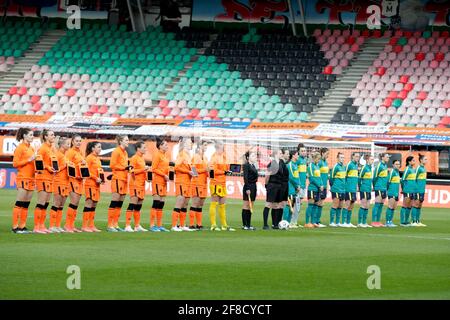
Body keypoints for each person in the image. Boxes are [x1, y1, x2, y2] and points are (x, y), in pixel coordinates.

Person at [12, 128, 36, 234]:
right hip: (23, 178)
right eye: (30, 135)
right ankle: (15, 227)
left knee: (26, 204)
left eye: (33, 135)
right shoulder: (20, 148)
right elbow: (15, 163)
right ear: (24, 136)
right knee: (19, 203)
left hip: (31, 178)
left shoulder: (31, 148)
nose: (32, 136)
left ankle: (22, 226)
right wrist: (29, 159)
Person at [34, 129, 56, 233]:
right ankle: (36, 227)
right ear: (45, 137)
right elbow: (38, 161)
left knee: (46, 203)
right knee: (41, 203)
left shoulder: (51, 148)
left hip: (50, 178)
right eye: (51, 135)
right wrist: (47, 167)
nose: (53, 136)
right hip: (42, 177)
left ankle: (42, 225)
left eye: (54, 135)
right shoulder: (42, 148)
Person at [209, 141, 235, 231]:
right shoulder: (214, 157)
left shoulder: (224, 156)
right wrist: (224, 172)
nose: (222, 148)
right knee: (214, 202)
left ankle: (224, 225)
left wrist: (229, 170)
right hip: (215, 182)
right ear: (217, 147)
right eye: (221, 147)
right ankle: (213, 225)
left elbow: (226, 168)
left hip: (223, 183)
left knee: (223, 204)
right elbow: (213, 171)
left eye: (223, 147)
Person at [126, 141, 150, 232]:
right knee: (133, 204)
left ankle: (137, 225)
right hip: (135, 184)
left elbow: (141, 172)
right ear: (138, 148)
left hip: (141, 184)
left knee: (138, 206)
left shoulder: (142, 158)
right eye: (144, 147)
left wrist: (147, 177)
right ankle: (127, 225)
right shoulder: (134, 158)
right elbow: (131, 171)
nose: (145, 149)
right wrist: (143, 169)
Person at [107, 135, 130, 232]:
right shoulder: (116, 151)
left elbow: (124, 165)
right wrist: (123, 168)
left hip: (124, 179)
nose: (128, 141)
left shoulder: (125, 153)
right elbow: (112, 165)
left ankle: (115, 224)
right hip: (117, 179)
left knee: (120, 203)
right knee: (115, 201)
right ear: (121, 141)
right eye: (126, 140)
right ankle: (110, 225)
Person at [172, 137, 195, 232]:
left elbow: (191, 167)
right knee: (180, 202)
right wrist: (188, 172)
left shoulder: (189, 155)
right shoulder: (181, 154)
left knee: (185, 204)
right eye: (190, 143)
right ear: (185, 143)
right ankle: (174, 225)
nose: (191, 144)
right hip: (181, 182)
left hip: (188, 182)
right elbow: (176, 167)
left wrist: (193, 172)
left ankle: (182, 225)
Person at [65, 134, 86, 233]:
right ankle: (68, 225)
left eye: (80, 141)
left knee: (76, 203)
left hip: (80, 180)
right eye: (77, 141)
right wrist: (76, 175)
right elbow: (68, 166)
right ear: (72, 142)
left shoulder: (80, 152)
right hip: (73, 180)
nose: (79, 142)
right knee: (73, 202)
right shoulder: (70, 152)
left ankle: (72, 225)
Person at [49, 136, 70, 233]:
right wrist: (64, 166)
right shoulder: (57, 155)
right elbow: (55, 169)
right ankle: (52, 225)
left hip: (66, 182)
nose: (69, 145)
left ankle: (57, 225)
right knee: (56, 204)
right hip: (58, 181)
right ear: (62, 145)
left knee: (61, 205)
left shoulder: (65, 155)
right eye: (67, 144)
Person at [150, 137, 170, 232]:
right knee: (156, 203)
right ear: (160, 146)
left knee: (161, 204)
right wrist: (164, 175)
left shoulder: (165, 156)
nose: (167, 146)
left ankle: (159, 225)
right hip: (157, 181)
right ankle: (152, 225)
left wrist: (168, 174)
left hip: (163, 182)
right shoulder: (157, 155)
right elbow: (154, 168)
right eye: (165, 144)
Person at [189, 140, 209, 230]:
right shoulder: (195, 157)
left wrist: (209, 173)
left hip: (204, 183)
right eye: (204, 145)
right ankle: (191, 224)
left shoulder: (205, 157)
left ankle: (199, 224)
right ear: (199, 146)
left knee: (201, 204)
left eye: (206, 145)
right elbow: (193, 170)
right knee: (195, 203)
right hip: (197, 183)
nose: (206, 147)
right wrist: (204, 170)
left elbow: (206, 170)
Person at [83, 141, 103, 233]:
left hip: (96, 185)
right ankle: (85, 226)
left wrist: (101, 179)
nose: (100, 149)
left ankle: (91, 225)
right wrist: (95, 178)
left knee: (94, 205)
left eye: (100, 147)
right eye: (98, 147)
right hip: (90, 184)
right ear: (93, 148)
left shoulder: (97, 159)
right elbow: (85, 171)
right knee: (89, 204)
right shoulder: (89, 158)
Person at [262, 149, 284, 230]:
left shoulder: (281, 163)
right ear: (275, 155)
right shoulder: (272, 164)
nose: (281, 154)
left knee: (276, 205)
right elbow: (267, 175)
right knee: (268, 204)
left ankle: (275, 224)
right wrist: (266, 185)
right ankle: (265, 224)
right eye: (280, 153)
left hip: (279, 186)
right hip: (272, 185)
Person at [305, 152, 324, 228]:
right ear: (314, 158)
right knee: (310, 205)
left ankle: (313, 222)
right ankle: (307, 222)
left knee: (316, 205)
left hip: (318, 188)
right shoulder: (310, 166)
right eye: (318, 159)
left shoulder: (317, 166)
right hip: (312, 188)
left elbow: (319, 177)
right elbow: (312, 178)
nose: (319, 160)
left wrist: (322, 185)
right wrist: (319, 185)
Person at [283, 150, 301, 228]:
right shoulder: (289, 165)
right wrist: (297, 186)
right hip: (290, 188)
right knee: (288, 205)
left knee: (292, 206)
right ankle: (285, 222)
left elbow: (297, 177)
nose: (298, 156)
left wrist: (298, 185)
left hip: (295, 188)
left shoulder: (295, 165)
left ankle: (289, 223)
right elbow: (291, 177)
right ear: (293, 155)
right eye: (297, 154)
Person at [290, 144, 307, 227]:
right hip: (298, 186)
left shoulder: (304, 160)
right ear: (299, 152)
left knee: (299, 204)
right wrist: (297, 185)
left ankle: (294, 221)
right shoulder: (298, 160)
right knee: (295, 203)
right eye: (302, 151)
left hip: (303, 186)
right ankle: (291, 221)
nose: (304, 152)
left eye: (305, 151)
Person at [371, 153, 390, 227]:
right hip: (379, 187)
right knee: (377, 204)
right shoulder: (379, 166)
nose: (388, 158)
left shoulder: (385, 166)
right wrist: (375, 186)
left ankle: (378, 221)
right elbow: (375, 177)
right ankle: (373, 221)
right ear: (382, 158)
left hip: (384, 188)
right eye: (387, 157)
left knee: (381, 205)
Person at [242, 150, 258, 230]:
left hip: (254, 186)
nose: (254, 157)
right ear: (248, 157)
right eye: (252, 156)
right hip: (248, 186)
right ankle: (245, 224)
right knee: (246, 205)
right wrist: (247, 188)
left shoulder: (253, 166)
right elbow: (245, 177)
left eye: (255, 156)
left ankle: (248, 224)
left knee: (251, 205)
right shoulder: (246, 165)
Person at [342, 152, 359, 228]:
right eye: (356, 156)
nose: (357, 158)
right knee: (347, 204)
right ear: (352, 157)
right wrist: (345, 186)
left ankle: (348, 222)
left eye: (358, 156)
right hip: (348, 188)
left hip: (353, 189)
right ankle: (343, 222)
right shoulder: (349, 165)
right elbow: (344, 176)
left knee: (352, 205)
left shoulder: (356, 165)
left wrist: (356, 186)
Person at [329, 152, 346, 227]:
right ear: (337, 158)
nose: (342, 159)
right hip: (336, 188)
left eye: (343, 157)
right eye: (341, 157)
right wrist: (333, 186)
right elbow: (331, 178)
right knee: (335, 204)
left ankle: (338, 222)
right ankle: (331, 221)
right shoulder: (336, 167)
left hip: (342, 189)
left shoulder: (344, 167)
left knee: (341, 205)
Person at [358, 154, 374, 228]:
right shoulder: (364, 167)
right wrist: (360, 187)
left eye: (373, 159)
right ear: (367, 160)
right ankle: (359, 222)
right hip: (364, 189)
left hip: (368, 189)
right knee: (363, 205)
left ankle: (364, 222)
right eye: (371, 159)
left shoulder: (370, 168)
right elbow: (360, 178)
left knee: (367, 205)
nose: (372, 161)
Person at [400, 156, 416, 227]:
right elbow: (402, 179)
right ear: (409, 162)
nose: (414, 162)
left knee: (410, 206)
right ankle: (402, 221)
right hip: (407, 190)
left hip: (412, 190)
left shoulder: (413, 169)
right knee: (405, 205)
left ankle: (406, 221)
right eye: (413, 160)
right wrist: (403, 189)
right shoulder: (407, 169)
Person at [412, 154, 428, 227]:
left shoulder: (424, 168)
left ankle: (418, 221)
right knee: (416, 205)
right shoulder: (418, 168)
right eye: (425, 159)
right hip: (417, 190)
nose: (426, 161)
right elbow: (414, 179)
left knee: (420, 206)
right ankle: (413, 221)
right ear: (421, 160)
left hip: (422, 190)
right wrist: (415, 189)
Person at [316, 148, 329, 228]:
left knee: (321, 203)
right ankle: (316, 221)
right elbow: (317, 175)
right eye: (327, 153)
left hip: (324, 186)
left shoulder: (326, 163)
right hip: (320, 186)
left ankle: (318, 220)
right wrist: (320, 184)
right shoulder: (319, 162)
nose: (328, 155)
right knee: (318, 203)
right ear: (322, 153)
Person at [386, 159, 401, 227]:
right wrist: (388, 191)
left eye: (398, 164)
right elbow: (388, 182)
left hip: (396, 193)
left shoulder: (397, 172)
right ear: (393, 165)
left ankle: (391, 221)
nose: (398, 165)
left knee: (393, 208)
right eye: (396, 164)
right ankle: (387, 222)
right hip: (391, 192)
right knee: (390, 207)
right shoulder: (392, 172)